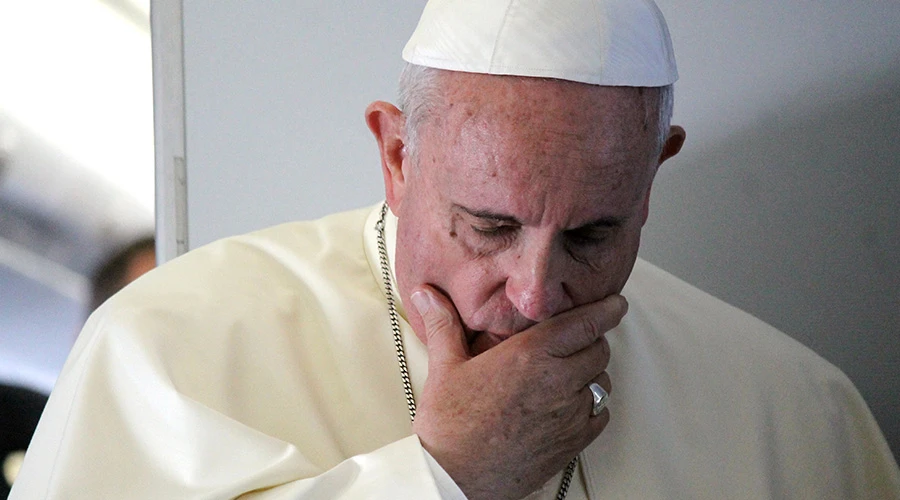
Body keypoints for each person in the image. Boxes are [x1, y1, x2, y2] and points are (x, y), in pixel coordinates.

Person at [10, 1, 900, 498]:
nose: (535, 296)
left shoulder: (796, 413)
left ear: (654, 175)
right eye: (490, 225)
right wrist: (441, 478)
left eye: (593, 233)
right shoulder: (167, 348)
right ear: (397, 156)